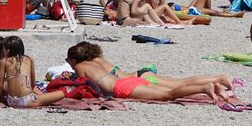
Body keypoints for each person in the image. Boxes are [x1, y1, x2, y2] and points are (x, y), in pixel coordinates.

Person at [66, 42, 223, 102]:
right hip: (130, 81)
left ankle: (205, 88)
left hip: (122, 88)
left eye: (68, 61)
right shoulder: (95, 61)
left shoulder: (80, 66)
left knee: (168, 95)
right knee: (174, 87)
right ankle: (214, 86)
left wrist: (68, 83)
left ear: (74, 60)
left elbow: (82, 86)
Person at [0, 36, 65, 108]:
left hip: (11, 101)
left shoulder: (4, 61)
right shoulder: (29, 59)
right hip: (27, 100)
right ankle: (38, 99)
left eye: (3, 49)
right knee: (61, 94)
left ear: (8, 50)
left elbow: (0, 84)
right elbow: (32, 83)